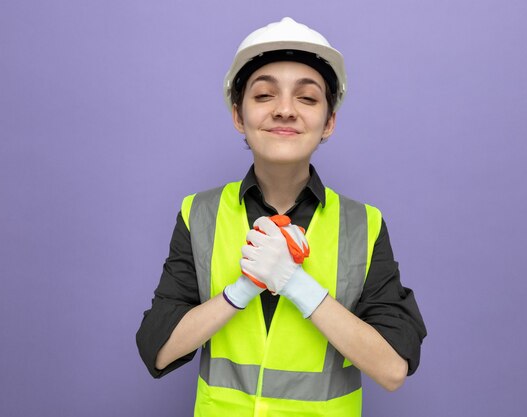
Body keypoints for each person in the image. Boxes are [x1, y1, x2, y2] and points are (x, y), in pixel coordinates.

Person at [136, 17, 427, 416]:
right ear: (239, 115)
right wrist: (242, 289)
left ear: (329, 123)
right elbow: (160, 350)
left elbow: (393, 369)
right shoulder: (199, 213)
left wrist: (293, 282)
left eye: (307, 99)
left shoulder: (364, 225)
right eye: (264, 95)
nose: (285, 110)